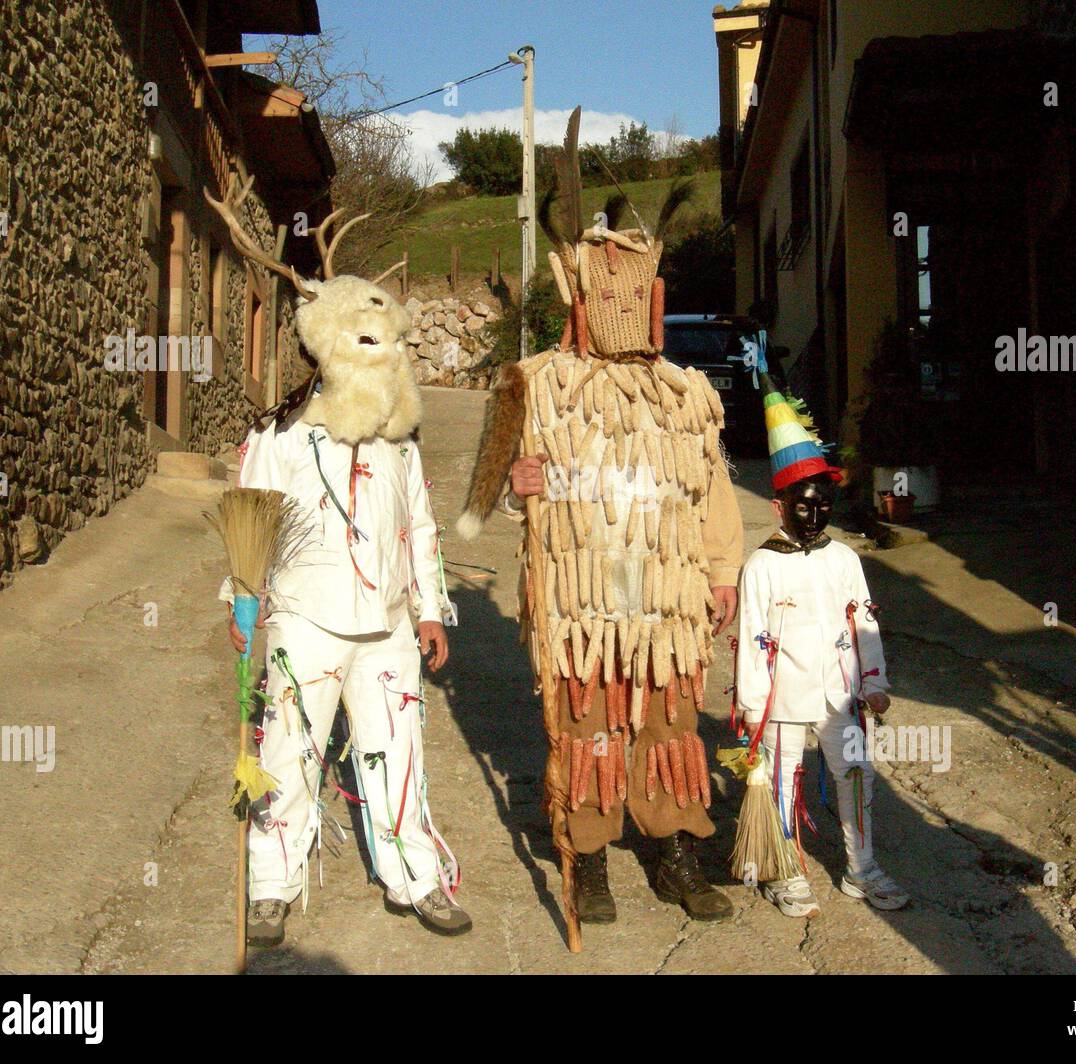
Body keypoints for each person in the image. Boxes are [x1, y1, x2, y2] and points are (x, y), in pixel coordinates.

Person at [457, 108, 744, 924]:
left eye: (632, 283)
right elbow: (485, 501)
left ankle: (676, 845)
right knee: (585, 721)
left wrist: (722, 574)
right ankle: (586, 855)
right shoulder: (531, 383)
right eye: (604, 283)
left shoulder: (686, 394)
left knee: (668, 714)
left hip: (667, 591)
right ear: (580, 290)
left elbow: (712, 492)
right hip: (579, 591)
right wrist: (516, 483)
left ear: (651, 293)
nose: (618, 295)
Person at [207, 179, 467, 946]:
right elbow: (249, 519)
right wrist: (243, 602)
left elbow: (418, 522)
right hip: (304, 620)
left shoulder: (398, 438)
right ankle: (271, 886)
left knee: (398, 752)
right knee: (289, 749)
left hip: (386, 625)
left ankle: (416, 877)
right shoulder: (278, 438)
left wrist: (428, 606)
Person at [735, 378, 909, 917]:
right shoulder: (760, 565)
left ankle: (863, 868)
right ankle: (785, 870)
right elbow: (750, 640)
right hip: (781, 701)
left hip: (841, 695)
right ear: (778, 505)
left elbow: (865, 623)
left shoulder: (845, 560)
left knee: (856, 776)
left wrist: (874, 681)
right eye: (803, 506)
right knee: (784, 781)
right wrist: (750, 706)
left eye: (823, 505)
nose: (814, 517)